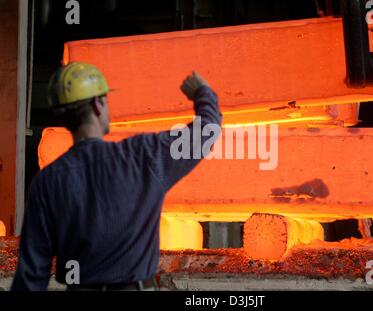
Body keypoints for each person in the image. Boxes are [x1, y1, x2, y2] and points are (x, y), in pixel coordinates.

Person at [11, 62, 222, 291]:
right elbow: (207, 131)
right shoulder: (142, 156)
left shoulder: (48, 182)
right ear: (97, 105)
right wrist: (202, 92)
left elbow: (31, 274)